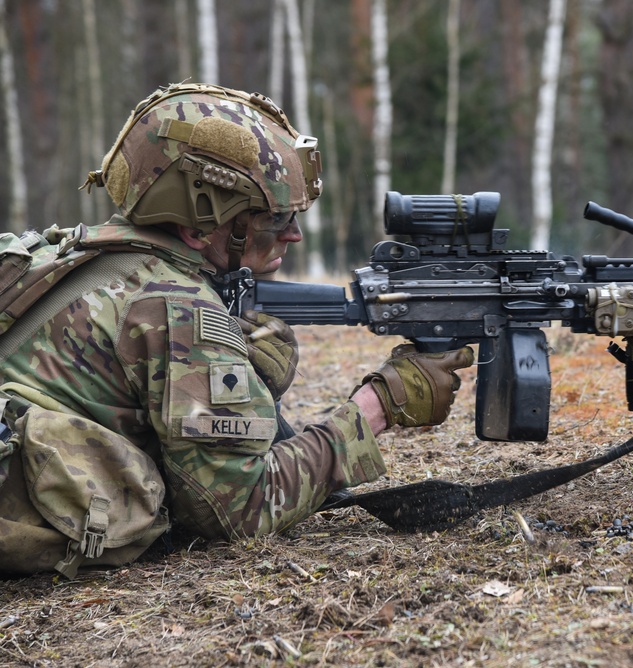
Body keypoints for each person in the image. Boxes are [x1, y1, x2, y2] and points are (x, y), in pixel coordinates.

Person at [0, 83, 473, 577]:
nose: (292, 234)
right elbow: (239, 511)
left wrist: (247, 388)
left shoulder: (72, 254)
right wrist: (378, 407)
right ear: (199, 225)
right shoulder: (177, 307)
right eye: (273, 218)